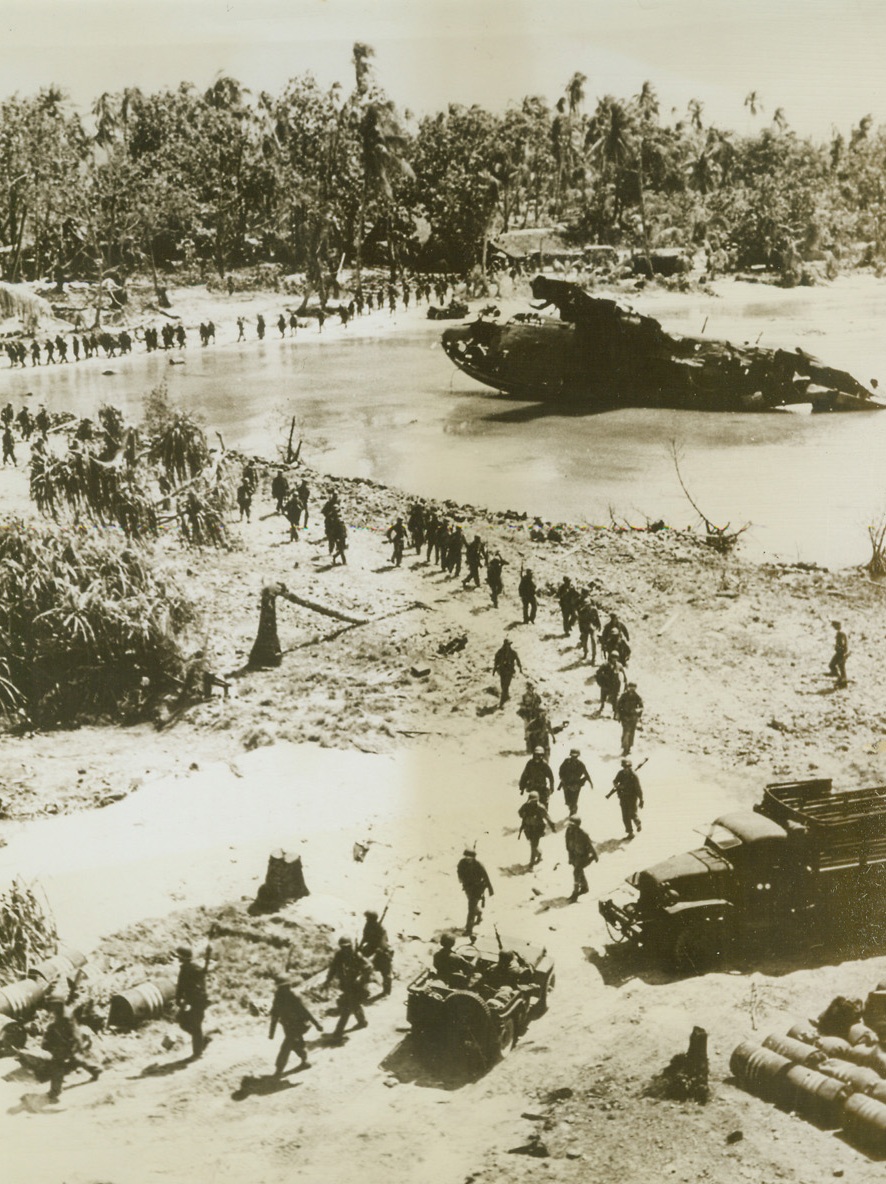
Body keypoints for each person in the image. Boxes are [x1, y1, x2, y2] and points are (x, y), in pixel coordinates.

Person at [42, 995, 101, 1102]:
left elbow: (73, 1031)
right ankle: (95, 1070)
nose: (51, 1007)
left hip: (68, 1042)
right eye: (51, 1005)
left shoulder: (66, 1016)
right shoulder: (60, 1012)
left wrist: (77, 1044)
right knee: (75, 1058)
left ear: (59, 1004)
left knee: (57, 1064)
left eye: (53, 1005)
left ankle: (55, 1091)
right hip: (66, 1042)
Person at [269, 973, 323, 1075]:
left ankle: (279, 1069)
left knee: (286, 1046)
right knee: (296, 1045)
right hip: (288, 1026)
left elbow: (304, 1012)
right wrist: (271, 1032)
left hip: (296, 1026)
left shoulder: (292, 996)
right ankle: (304, 1061)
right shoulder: (279, 998)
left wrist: (316, 1024)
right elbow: (275, 1015)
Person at [325, 938, 371, 1041]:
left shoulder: (357, 955)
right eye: (343, 947)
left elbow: (369, 967)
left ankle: (338, 1033)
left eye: (347, 947)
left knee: (346, 1008)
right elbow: (333, 968)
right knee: (354, 1004)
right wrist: (327, 980)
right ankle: (362, 1022)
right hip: (346, 985)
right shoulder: (339, 955)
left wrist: (361, 977)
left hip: (356, 986)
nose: (345, 949)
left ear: (351, 946)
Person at [175, 944, 210, 1059]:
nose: (177, 958)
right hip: (189, 1001)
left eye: (179, 956)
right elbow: (180, 986)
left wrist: (208, 957)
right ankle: (202, 1040)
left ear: (183, 957)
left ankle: (198, 1053)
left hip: (198, 1000)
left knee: (195, 1026)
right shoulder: (184, 968)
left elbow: (204, 972)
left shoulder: (194, 968)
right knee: (182, 1021)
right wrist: (178, 999)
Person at [456, 848, 493, 935]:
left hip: (477, 888)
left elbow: (486, 877)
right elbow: (459, 871)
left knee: (471, 908)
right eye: (466, 856)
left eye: (470, 857)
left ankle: (469, 930)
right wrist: (461, 879)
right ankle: (479, 913)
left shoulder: (478, 865)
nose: (467, 858)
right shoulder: (462, 863)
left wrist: (490, 890)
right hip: (467, 887)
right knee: (472, 905)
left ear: (473, 857)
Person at [358, 910, 393, 996]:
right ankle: (363, 989)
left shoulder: (381, 929)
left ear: (373, 919)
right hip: (371, 948)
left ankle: (386, 990)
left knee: (385, 970)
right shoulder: (367, 926)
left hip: (381, 949)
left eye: (368, 918)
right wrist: (360, 947)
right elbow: (364, 937)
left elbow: (384, 942)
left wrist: (379, 950)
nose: (367, 920)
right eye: (367, 918)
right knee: (363, 966)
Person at [607, 759, 644, 839]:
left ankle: (638, 823)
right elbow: (615, 781)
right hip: (623, 797)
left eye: (627, 767)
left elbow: (638, 788)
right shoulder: (620, 773)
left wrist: (641, 800)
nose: (626, 768)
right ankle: (630, 833)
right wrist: (618, 786)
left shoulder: (633, 776)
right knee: (625, 816)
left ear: (630, 767)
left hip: (632, 797)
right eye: (624, 767)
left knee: (632, 814)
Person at [565, 815, 598, 902]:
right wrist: (570, 857)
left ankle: (575, 894)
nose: (570, 826)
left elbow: (590, 846)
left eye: (572, 825)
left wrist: (595, 856)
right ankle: (584, 887)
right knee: (579, 871)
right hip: (574, 855)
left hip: (584, 856)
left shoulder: (583, 834)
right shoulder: (568, 831)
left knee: (576, 872)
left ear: (577, 825)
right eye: (570, 824)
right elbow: (568, 845)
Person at [518, 791, 556, 866]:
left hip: (537, 829)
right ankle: (539, 853)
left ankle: (531, 863)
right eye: (531, 800)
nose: (532, 802)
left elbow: (547, 817)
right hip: (528, 828)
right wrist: (524, 815)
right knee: (533, 844)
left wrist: (552, 826)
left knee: (533, 845)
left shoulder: (540, 807)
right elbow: (520, 813)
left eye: (534, 801)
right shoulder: (525, 806)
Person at [558, 748, 593, 816]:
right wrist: (562, 778)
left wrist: (591, 783)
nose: (574, 757)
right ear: (570, 755)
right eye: (572, 756)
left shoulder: (580, 764)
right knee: (568, 802)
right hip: (566, 784)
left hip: (576, 785)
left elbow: (586, 774)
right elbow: (560, 771)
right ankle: (572, 808)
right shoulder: (566, 762)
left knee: (574, 801)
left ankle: (573, 812)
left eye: (575, 756)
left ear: (578, 756)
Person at [492, 637, 522, 707]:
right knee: (503, 685)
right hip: (502, 671)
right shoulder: (500, 652)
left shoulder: (513, 652)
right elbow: (496, 661)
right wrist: (494, 669)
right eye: (507, 644)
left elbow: (517, 660)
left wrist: (520, 668)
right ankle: (506, 695)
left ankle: (502, 702)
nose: (508, 646)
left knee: (506, 684)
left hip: (509, 671)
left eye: (509, 644)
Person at [617, 683, 644, 756]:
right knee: (626, 732)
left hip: (633, 717)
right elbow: (619, 705)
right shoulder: (624, 696)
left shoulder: (637, 697)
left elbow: (641, 707)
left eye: (633, 687)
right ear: (628, 687)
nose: (632, 689)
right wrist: (619, 715)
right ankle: (625, 748)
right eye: (630, 687)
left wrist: (638, 714)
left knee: (631, 733)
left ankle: (628, 748)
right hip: (625, 717)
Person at [576, 593, 601, 662]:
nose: (587, 607)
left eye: (588, 605)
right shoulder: (581, 611)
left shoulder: (594, 610)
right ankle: (585, 653)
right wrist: (581, 629)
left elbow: (597, 618)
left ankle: (593, 657)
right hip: (584, 628)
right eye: (586, 605)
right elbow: (580, 621)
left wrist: (599, 625)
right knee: (584, 641)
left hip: (592, 627)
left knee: (594, 641)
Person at [829, 620, 848, 688]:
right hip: (842, 652)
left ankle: (842, 682)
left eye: (834, 626)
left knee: (838, 666)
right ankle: (841, 680)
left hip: (841, 653)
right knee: (840, 667)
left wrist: (839, 649)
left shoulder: (841, 633)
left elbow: (842, 644)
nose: (834, 628)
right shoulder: (842, 632)